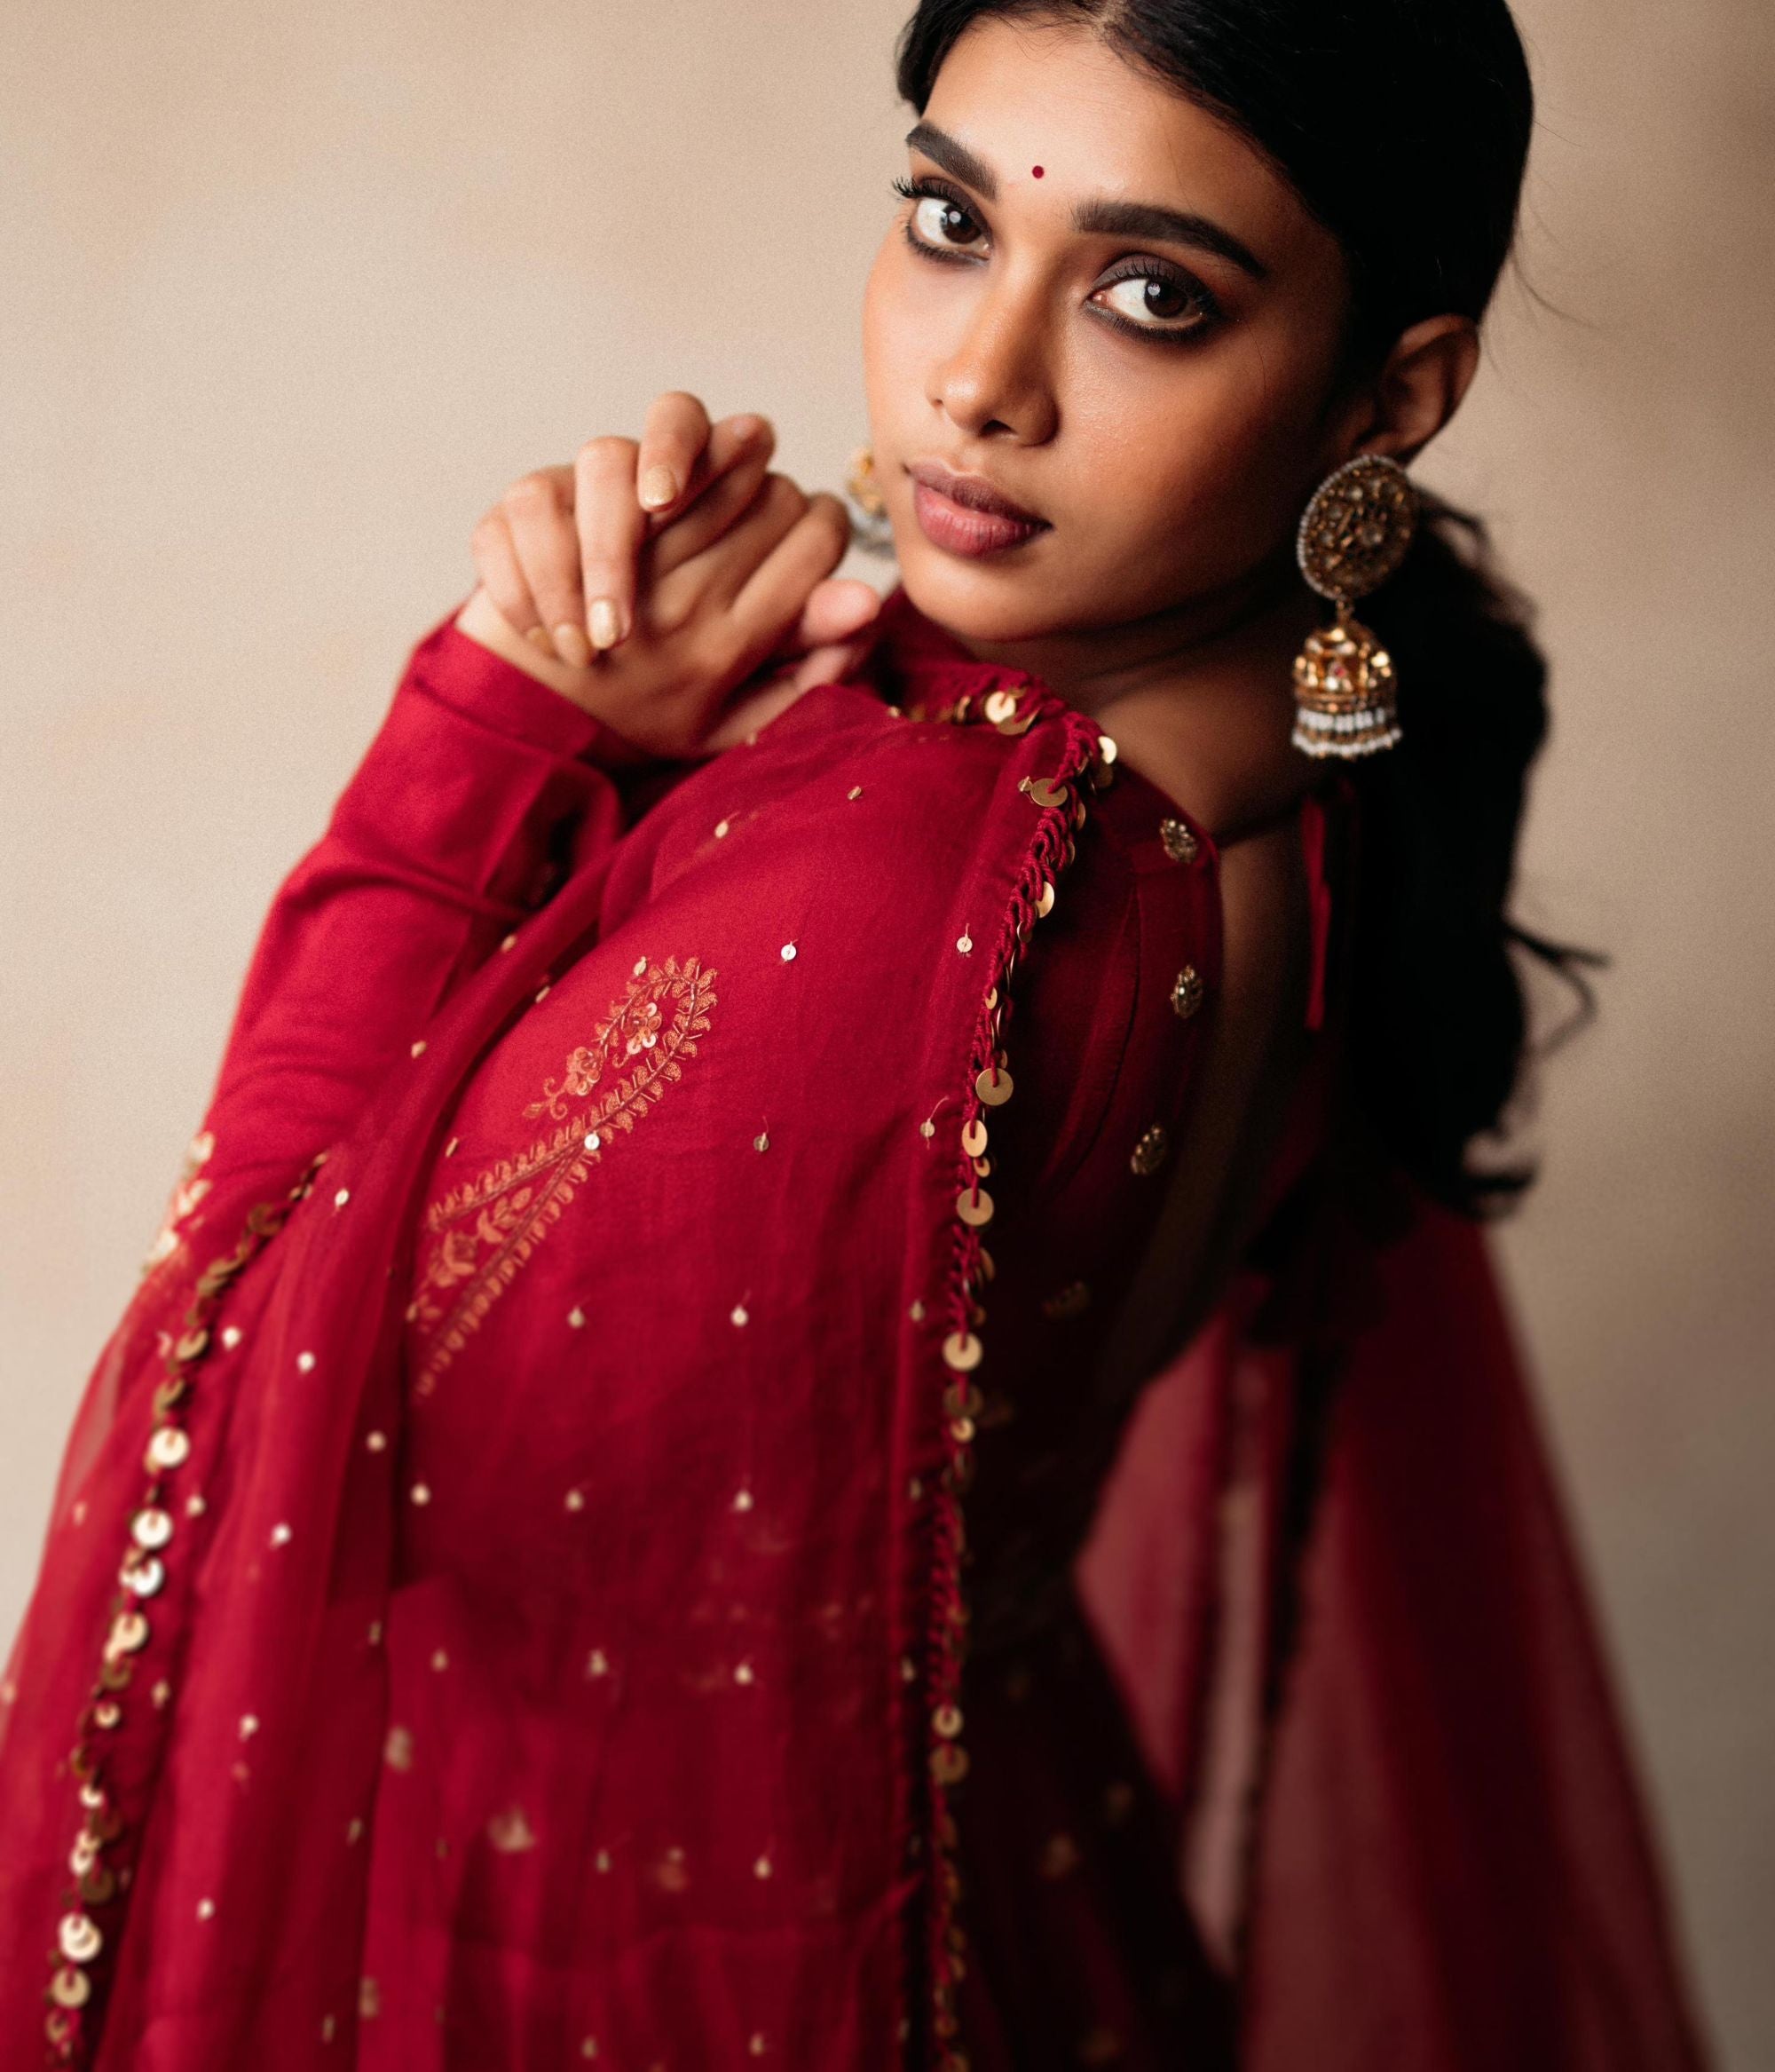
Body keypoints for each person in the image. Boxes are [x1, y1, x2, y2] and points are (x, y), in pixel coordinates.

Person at [0, 1, 1715, 2067]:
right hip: (1005, 1904)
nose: (976, 385)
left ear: (1393, 389)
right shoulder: (1320, 739)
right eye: (947, 217)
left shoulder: (912, 893)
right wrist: (678, 796)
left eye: (1150, 297)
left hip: (639, 1973)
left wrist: (483, 738)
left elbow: (247, 1424)